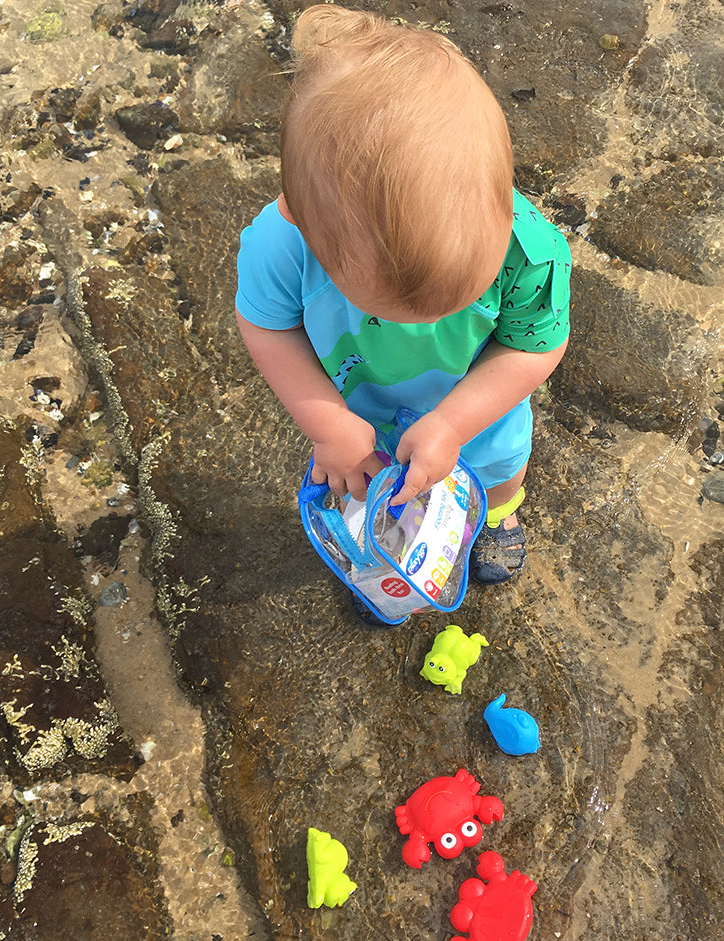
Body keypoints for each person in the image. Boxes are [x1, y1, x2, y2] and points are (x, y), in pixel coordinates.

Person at [235, 3, 570, 602]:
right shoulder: (281, 246)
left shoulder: (532, 250)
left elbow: (532, 348)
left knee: (499, 465)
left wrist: (451, 424)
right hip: (362, 408)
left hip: (477, 406)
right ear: (300, 218)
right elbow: (266, 329)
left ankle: (496, 516)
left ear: (502, 198)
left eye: (455, 303)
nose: (432, 324)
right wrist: (329, 424)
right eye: (390, 309)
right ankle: (386, 540)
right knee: (370, 484)